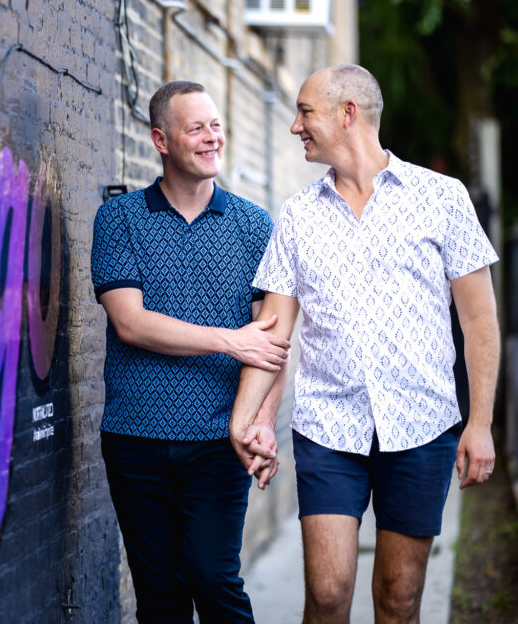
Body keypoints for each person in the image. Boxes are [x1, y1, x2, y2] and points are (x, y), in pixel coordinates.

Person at [230, 64, 500, 623]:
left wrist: (479, 423)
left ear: (346, 113)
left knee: (398, 599)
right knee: (327, 593)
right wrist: (247, 416)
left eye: (305, 112)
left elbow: (479, 320)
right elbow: (274, 329)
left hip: (422, 425)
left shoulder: (441, 198)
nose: (294, 126)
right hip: (329, 429)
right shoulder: (298, 216)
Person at [91, 80, 290, 623]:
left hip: (218, 441)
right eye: (196, 128)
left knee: (214, 576)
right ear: (161, 139)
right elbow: (130, 323)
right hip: (135, 439)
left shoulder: (254, 225)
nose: (212, 138)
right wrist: (230, 339)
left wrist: (262, 422)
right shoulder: (121, 219)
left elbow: (272, 342)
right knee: (159, 595)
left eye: (216, 125)